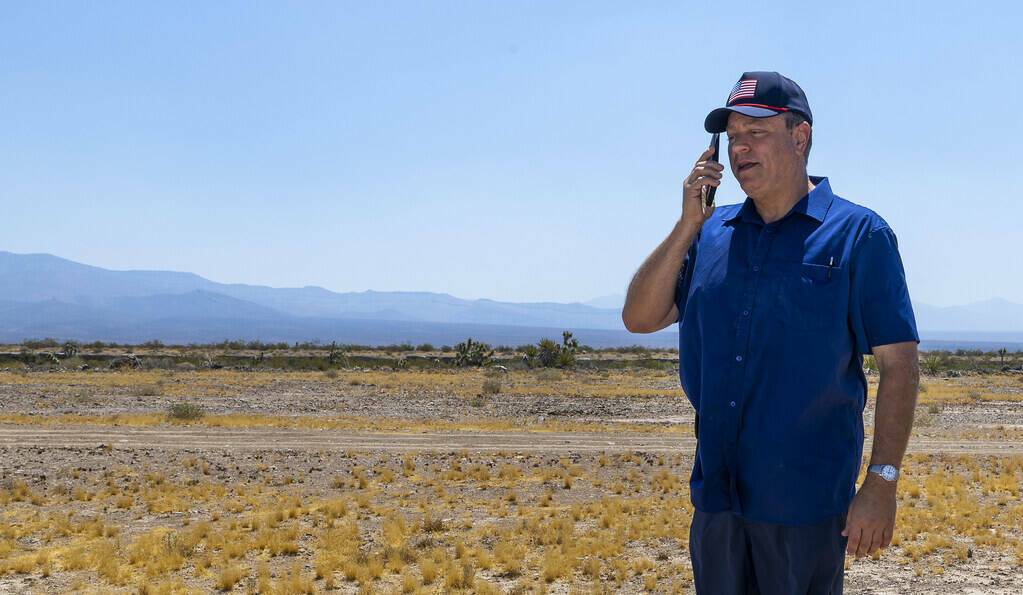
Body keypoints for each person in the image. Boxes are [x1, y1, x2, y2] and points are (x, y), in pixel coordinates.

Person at [621, 71, 920, 594]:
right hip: (718, 501)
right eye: (733, 137)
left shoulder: (859, 235)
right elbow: (639, 318)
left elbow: (900, 367)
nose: (740, 149)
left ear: (799, 137)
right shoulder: (710, 233)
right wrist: (688, 223)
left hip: (804, 508)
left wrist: (882, 482)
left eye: (756, 133)